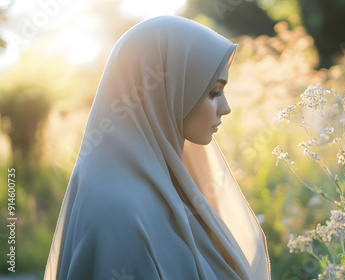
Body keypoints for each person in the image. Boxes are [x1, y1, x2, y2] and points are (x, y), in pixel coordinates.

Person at [44, 15, 270, 280]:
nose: (226, 108)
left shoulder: (167, 180)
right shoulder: (114, 209)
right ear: (166, 90)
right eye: (214, 92)